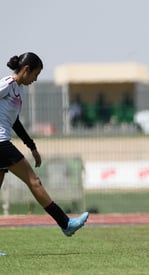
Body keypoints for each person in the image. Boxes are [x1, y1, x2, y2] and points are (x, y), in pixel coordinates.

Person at [0, 52, 89, 255]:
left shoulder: (18, 91)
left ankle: (65, 223)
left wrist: (31, 145)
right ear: (26, 70)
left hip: (3, 143)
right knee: (34, 182)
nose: (36, 79)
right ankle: (65, 223)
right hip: (0, 144)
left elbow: (14, 122)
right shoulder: (7, 83)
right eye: (36, 74)